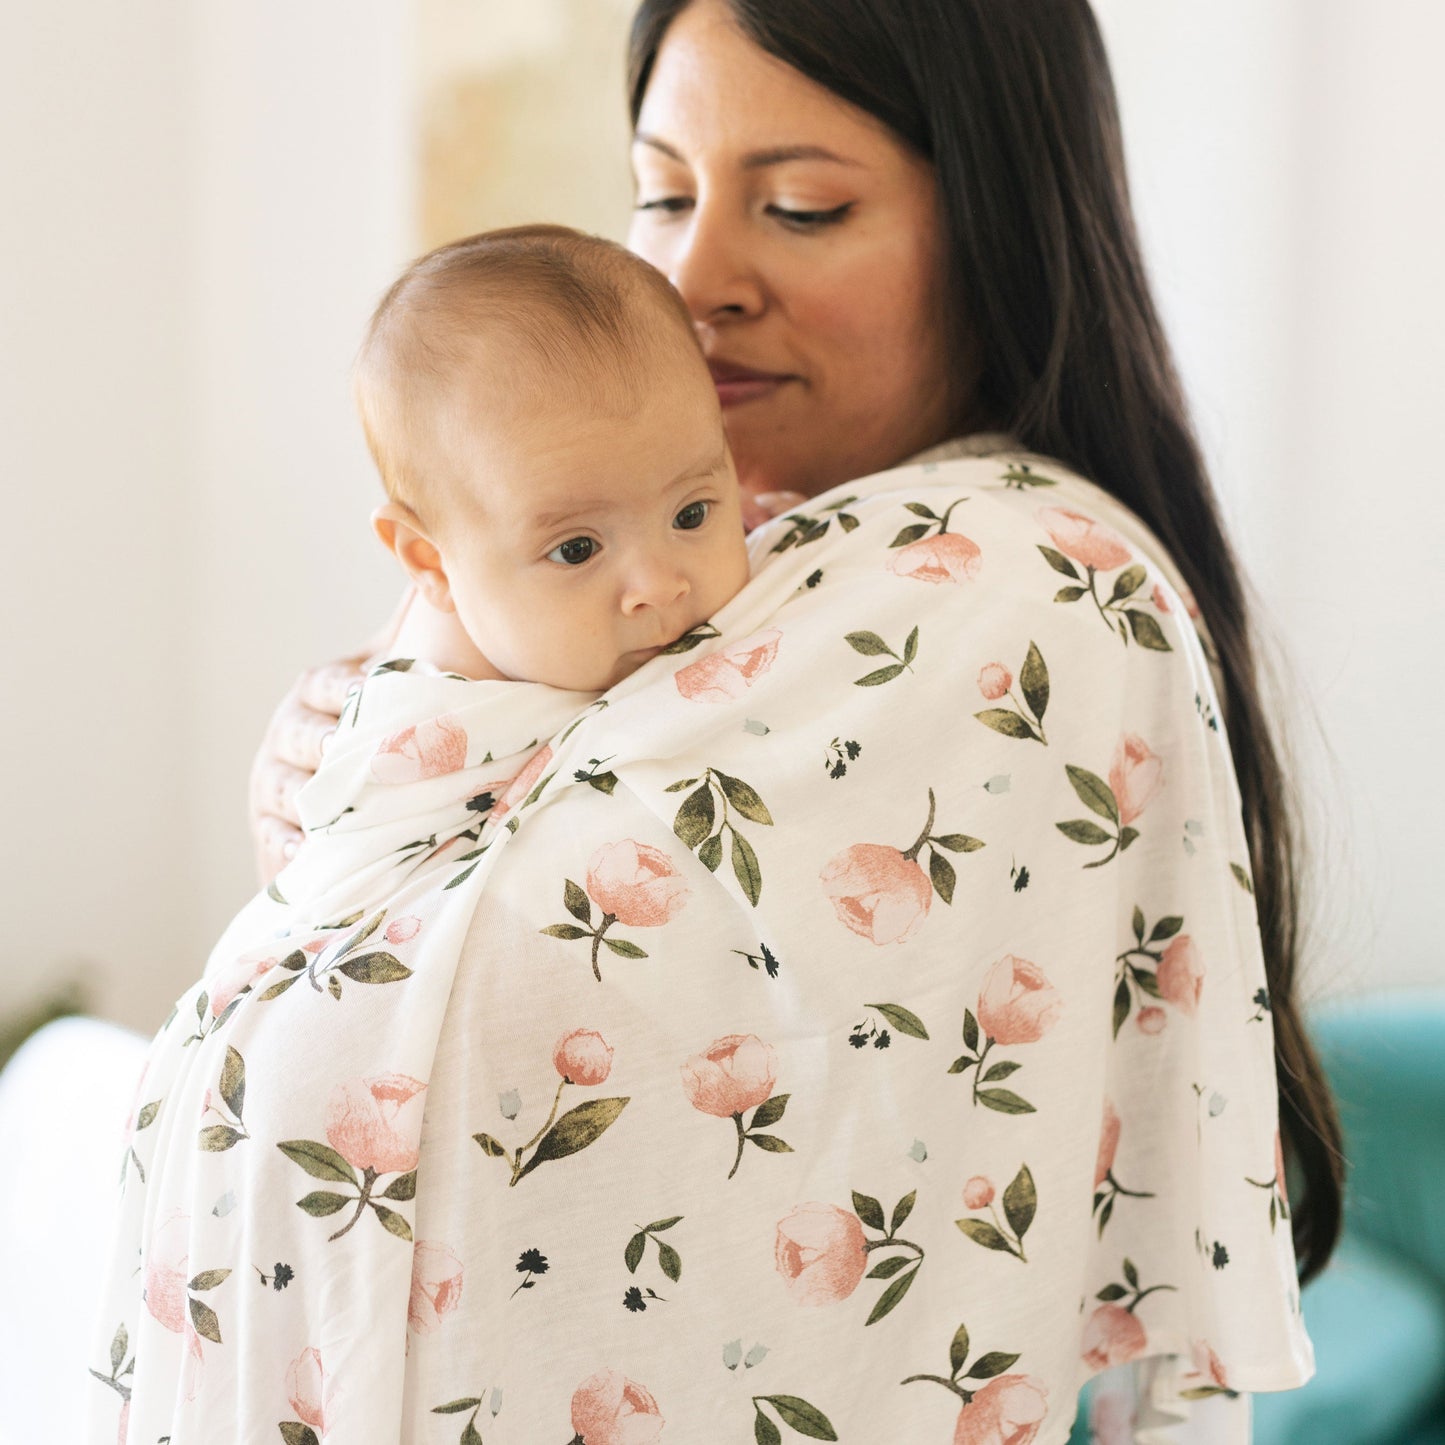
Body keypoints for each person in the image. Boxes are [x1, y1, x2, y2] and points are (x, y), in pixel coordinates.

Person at [219, 1, 1343, 1441]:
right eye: (662, 192)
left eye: (801, 206)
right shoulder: (721, 572)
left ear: (995, 218)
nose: (694, 277)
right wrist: (354, 772)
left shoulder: (1008, 575)